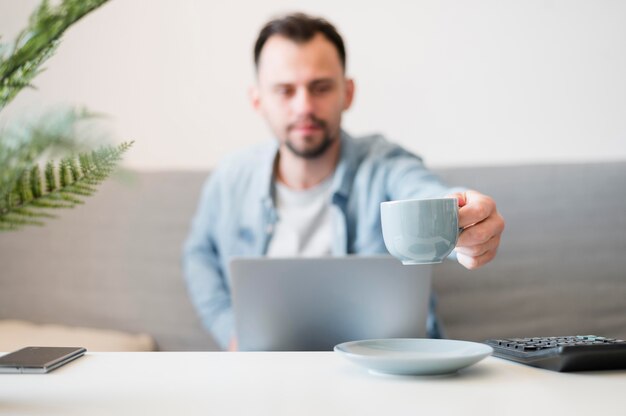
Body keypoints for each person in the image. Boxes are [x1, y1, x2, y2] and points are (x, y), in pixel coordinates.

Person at [183, 13, 505, 351]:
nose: (304, 106)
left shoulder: (385, 164)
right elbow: (199, 255)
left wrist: (466, 221)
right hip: (267, 377)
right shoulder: (230, 179)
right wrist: (230, 332)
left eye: (320, 87)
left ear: (347, 93)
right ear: (257, 99)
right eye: (285, 90)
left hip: (387, 375)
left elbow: (426, 193)